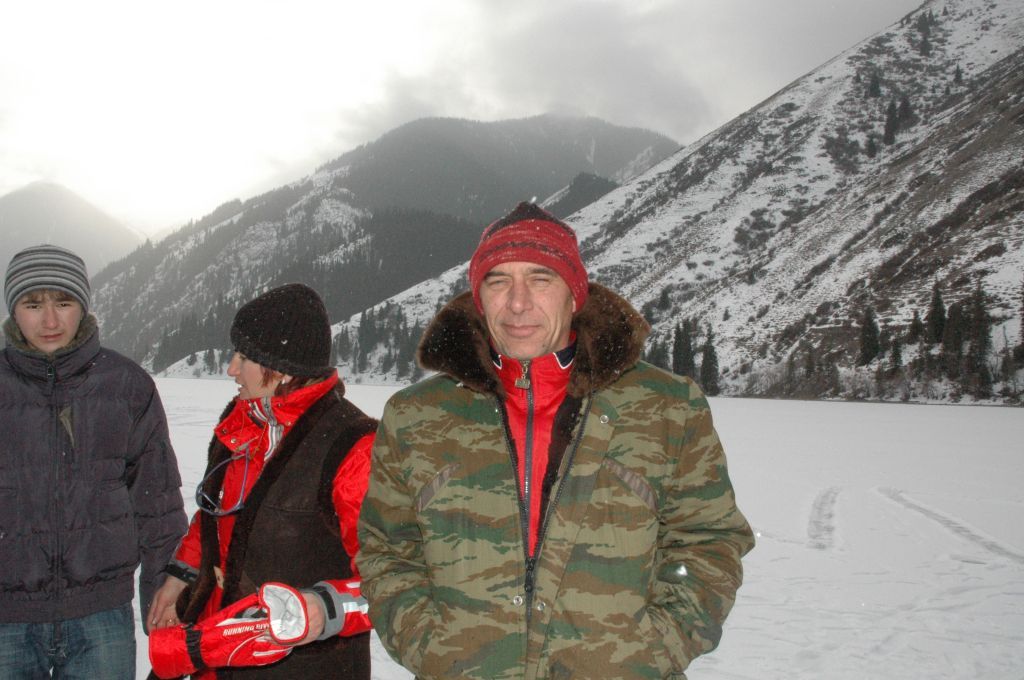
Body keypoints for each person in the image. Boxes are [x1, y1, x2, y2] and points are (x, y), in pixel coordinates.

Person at [358, 203, 754, 679]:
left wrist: (652, 648)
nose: (517, 303)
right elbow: (387, 550)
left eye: (540, 278)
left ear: (574, 294)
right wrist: (430, 646)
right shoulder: (416, 416)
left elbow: (709, 542)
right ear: (479, 298)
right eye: (498, 281)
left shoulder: (667, 407)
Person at [147, 283, 377, 679]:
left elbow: (390, 581)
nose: (231, 369)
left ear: (282, 368)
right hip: (220, 657)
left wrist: (318, 610)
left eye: (244, 357)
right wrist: (182, 575)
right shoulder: (241, 422)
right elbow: (214, 516)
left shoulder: (353, 447)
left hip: (304, 669)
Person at [0, 244, 188, 678]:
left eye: (64, 303)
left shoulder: (127, 386)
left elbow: (157, 501)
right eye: (33, 304)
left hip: (101, 618)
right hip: (7, 620)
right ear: (14, 310)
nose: (50, 321)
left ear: (83, 306)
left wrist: (164, 595)